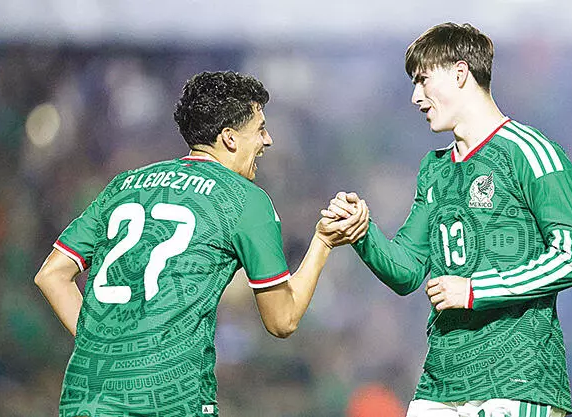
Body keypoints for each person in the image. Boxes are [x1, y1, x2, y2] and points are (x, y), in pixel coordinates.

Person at [34, 70, 369, 417]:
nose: (268, 140)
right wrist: (323, 242)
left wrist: (106, 348)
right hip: (169, 401)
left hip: (86, 397)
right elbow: (282, 319)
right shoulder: (244, 200)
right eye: (260, 129)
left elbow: (52, 275)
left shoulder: (124, 185)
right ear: (229, 138)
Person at [323, 23, 572, 417]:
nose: (416, 97)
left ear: (460, 73)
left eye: (423, 80)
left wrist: (474, 290)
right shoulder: (434, 169)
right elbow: (407, 271)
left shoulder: (531, 152)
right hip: (440, 383)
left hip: (516, 382)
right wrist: (363, 233)